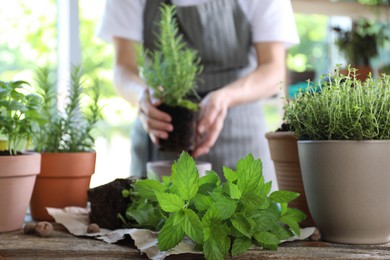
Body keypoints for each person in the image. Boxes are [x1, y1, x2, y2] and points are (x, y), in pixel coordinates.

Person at [97, 0, 299, 191]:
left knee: (248, 222)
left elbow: (273, 70)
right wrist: (142, 96)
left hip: (240, 136)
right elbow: (123, 68)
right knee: (154, 225)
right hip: (161, 137)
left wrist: (225, 97)